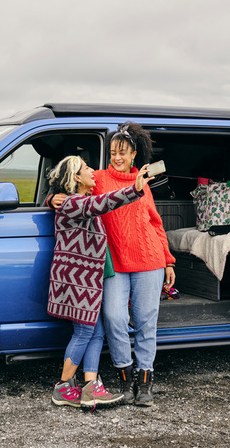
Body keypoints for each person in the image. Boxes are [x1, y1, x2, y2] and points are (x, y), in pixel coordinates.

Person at [50, 122, 176, 407]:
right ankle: (125, 378)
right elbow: (73, 190)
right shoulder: (98, 178)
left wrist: (168, 260)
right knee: (115, 320)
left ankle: (144, 383)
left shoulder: (144, 183)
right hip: (114, 264)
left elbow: (155, 224)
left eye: (123, 152)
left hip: (149, 260)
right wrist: (51, 198)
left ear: (134, 154)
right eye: (113, 151)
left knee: (146, 323)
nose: (117, 157)